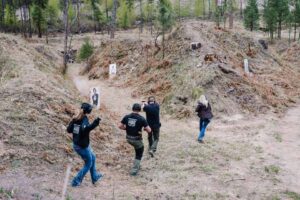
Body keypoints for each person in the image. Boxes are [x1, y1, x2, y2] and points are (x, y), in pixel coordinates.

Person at [67, 103, 103, 187]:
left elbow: (69, 130)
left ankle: (94, 177)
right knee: (88, 163)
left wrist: (75, 126)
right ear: (88, 111)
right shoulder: (84, 119)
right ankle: (75, 182)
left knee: (93, 157)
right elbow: (85, 129)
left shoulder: (76, 118)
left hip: (78, 144)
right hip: (82, 146)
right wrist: (96, 122)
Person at [119, 103, 152, 176]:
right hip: (136, 140)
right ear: (140, 110)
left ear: (132, 108)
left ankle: (137, 164)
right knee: (139, 152)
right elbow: (149, 130)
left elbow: (120, 126)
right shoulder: (142, 118)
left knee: (137, 149)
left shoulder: (127, 116)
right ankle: (134, 171)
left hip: (128, 138)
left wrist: (127, 128)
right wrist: (145, 129)